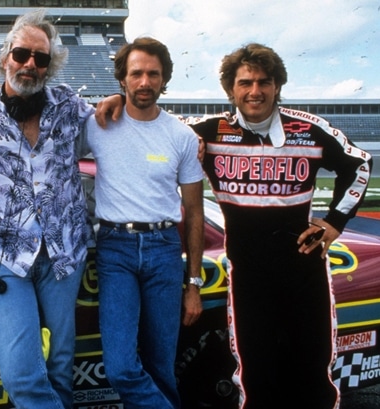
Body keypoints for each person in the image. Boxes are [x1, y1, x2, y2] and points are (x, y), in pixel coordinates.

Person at [98, 42, 373, 409]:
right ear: (231, 89)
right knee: (255, 375)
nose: (255, 91)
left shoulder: (310, 129)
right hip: (248, 277)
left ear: (277, 86)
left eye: (264, 82)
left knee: (312, 373)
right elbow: (149, 119)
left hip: (303, 271)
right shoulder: (206, 132)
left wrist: (336, 221)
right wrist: (112, 101)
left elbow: (360, 164)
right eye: (245, 83)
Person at [0, 9, 94, 409]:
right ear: (4, 58)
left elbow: (118, 126)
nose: (30, 64)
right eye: (22, 54)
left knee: (61, 367)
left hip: (64, 252)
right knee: (21, 374)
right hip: (5, 255)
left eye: (41, 58)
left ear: (50, 66)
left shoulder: (70, 105)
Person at [84, 37, 204, 409]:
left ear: (164, 79)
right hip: (115, 249)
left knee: (161, 366)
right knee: (121, 367)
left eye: (153, 74)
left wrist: (194, 284)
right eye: (136, 73)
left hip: (165, 248)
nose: (144, 82)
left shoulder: (181, 135)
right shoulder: (98, 123)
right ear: (122, 79)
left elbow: (195, 212)